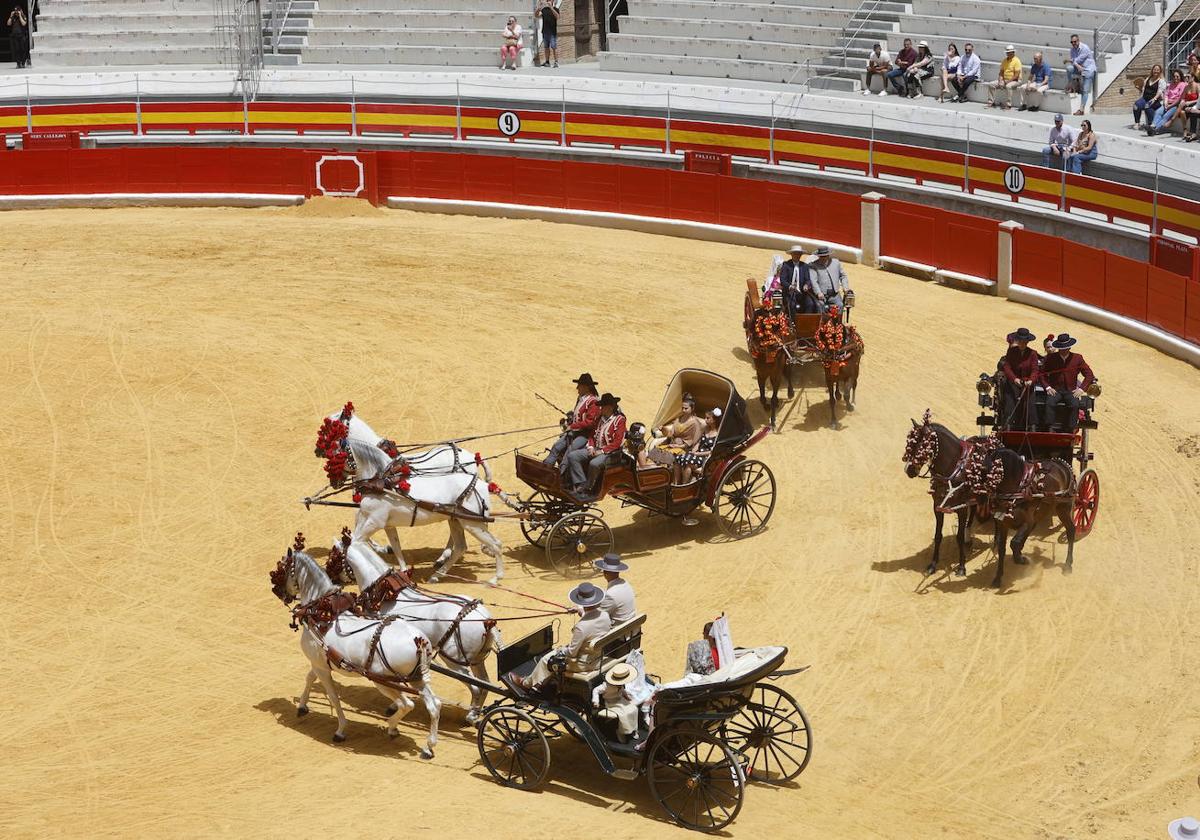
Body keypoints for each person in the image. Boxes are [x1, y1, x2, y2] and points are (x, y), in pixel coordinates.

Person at [518, 582, 612, 689]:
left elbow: (572, 653)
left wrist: (561, 650)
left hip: (583, 664)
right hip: (598, 658)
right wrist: (579, 610)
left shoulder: (581, 627)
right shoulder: (605, 615)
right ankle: (543, 682)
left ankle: (526, 684)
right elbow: (592, 620)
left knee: (545, 660)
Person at [566, 392, 626, 499]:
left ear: (610, 407)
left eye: (602, 406)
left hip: (611, 453)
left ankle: (589, 487)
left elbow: (617, 442)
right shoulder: (599, 419)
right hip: (596, 449)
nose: (600, 408)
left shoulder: (619, 420)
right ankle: (581, 484)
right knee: (573, 456)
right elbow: (592, 436)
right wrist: (591, 447)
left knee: (594, 463)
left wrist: (601, 451)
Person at [543, 372, 600, 470]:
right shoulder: (581, 399)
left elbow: (590, 422)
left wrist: (573, 426)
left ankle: (562, 472)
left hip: (585, 434)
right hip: (574, 432)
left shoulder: (593, 401)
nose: (577, 388)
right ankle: (546, 467)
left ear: (586, 387)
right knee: (557, 446)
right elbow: (578, 414)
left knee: (571, 450)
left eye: (579, 386)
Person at [1039, 333, 1095, 432]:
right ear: (1059, 348)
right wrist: (1047, 387)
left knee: (1074, 404)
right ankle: (1049, 427)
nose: (1064, 350)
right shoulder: (1051, 358)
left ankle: (1070, 429)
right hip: (1055, 390)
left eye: (1066, 348)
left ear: (1069, 347)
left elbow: (1089, 374)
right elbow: (1041, 374)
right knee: (1049, 403)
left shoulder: (1077, 358)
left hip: (1071, 391)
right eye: (1062, 348)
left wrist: (1081, 389)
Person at [648, 392, 703, 468]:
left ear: (692, 409)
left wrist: (677, 446)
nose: (683, 410)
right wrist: (663, 429)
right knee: (654, 453)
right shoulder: (678, 419)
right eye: (682, 408)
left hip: (683, 449)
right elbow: (670, 434)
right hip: (671, 444)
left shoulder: (695, 424)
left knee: (666, 457)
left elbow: (691, 443)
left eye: (686, 408)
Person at [1000, 327, 1039, 430]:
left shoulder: (1033, 353)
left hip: (1027, 383)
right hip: (1013, 382)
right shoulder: (1011, 352)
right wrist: (1014, 379)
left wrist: (1031, 380)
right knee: (1010, 402)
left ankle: (1032, 426)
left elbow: (1035, 369)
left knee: (1030, 403)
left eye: (1025, 342)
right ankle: (1008, 425)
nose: (1023, 343)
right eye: (1021, 341)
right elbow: (1007, 367)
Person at [591, 663, 641, 741]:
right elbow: (596, 690)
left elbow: (622, 690)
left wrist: (626, 696)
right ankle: (621, 732)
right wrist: (595, 701)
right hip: (611, 703)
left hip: (621, 700)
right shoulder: (606, 686)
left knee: (634, 709)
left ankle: (633, 729)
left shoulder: (621, 685)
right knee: (623, 714)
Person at [675, 408, 721, 485]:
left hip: (706, 458)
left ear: (714, 420)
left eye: (708, 418)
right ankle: (676, 483)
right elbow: (699, 442)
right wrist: (694, 450)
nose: (705, 419)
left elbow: (712, 451)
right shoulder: (706, 429)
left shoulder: (718, 434)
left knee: (687, 463)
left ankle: (684, 485)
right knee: (677, 459)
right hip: (697, 454)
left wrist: (697, 454)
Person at [804, 246, 849, 314]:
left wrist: (845, 287)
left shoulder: (836, 263)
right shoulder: (813, 265)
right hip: (821, 295)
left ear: (828, 256)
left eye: (825, 256)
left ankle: (837, 323)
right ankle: (822, 324)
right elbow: (813, 281)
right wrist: (818, 292)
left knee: (840, 305)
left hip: (834, 294)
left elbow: (843, 276)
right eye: (821, 256)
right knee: (820, 306)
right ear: (818, 256)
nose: (823, 258)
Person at [594, 553, 636, 624]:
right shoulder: (625, 583)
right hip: (633, 630)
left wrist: (581, 609)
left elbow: (596, 617)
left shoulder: (610, 595)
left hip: (620, 633)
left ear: (604, 573)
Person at [1148, 70, 1189, 136]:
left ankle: (1156, 129)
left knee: (1166, 116)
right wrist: (1165, 103)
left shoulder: (1183, 85)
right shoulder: (1171, 84)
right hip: (1167, 103)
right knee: (1158, 112)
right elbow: (1166, 94)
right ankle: (1152, 126)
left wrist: (1170, 106)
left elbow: (1179, 99)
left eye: (1177, 76)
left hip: (1175, 105)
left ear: (1180, 77)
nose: (1175, 78)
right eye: (1174, 76)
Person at [776, 244, 811, 317]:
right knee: (792, 305)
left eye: (799, 254)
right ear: (791, 254)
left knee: (810, 304)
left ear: (801, 255)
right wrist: (790, 286)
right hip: (789, 293)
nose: (797, 255)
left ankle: (806, 323)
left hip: (802, 293)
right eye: (795, 253)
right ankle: (793, 324)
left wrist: (806, 285)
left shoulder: (804, 266)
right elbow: (783, 280)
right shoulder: (786, 265)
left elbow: (808, 280)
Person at [1068, 34, 1097, 115]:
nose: (1073, 43)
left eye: (1075, 42)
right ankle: (1072, 86)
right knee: (1069, 69)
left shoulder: (1085, 48)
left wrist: (1074, 62)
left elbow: (1076, 60)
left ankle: (1081, 109)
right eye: (1072, 42)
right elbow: (1074, 62)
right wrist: (1077, 65)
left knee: (1085, 90)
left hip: (1088, 69)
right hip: (1079, 68)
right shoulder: (1072, 50)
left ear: (1078, 41)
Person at [987, 45, 1022, 109]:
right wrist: (1000, 80)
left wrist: (1006, 82)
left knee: (1008, 86)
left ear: (1013, 52)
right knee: (991, 84)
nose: (1008, 53)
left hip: (1015, 80)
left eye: (1009, 52)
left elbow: (1016, 75)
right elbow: (1001, 72)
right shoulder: (1004, 60)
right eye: (1007, 52)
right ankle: (991, 102)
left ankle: (1009, 104)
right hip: (1005, 80)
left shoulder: (1017, 61)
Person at [1132, 64, 1164, 129]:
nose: (1156, 71)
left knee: (1148, 106)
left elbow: (1160, 92)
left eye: (1158, 70)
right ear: (1152, 70)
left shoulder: (1161, 81)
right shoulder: (1147, 79)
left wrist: (1154, 99)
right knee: (1136, 105)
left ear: (1160, 71)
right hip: (1145, 98)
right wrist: (1140, 93)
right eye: (1155, 69)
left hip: (1156, 100)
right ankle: (1137, 123)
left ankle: (1150, 124)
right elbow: (1144, 89)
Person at [535, 0, 558, 68]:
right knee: (546, 47)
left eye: (550, 0)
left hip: (552, 32)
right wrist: (538, 9)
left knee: (554, 47)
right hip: (545, 31)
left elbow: (557, 17)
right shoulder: (544, 9)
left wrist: (551, 7)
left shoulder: (556, 9)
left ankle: (556, 62)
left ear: (553, 1)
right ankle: (547, 62)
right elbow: (536, 16)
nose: (548, 1)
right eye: (548, 0)